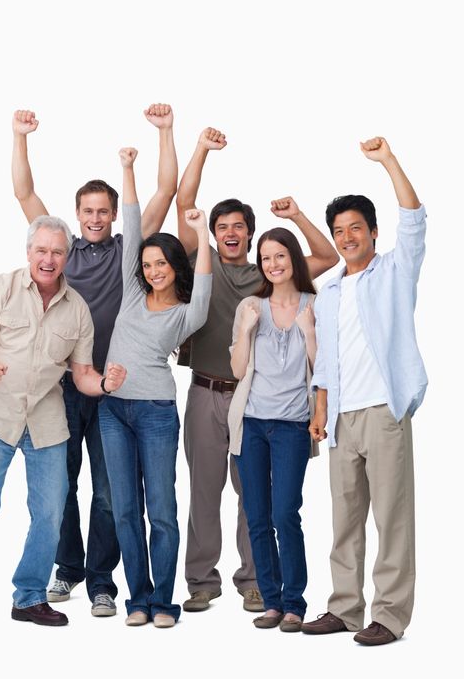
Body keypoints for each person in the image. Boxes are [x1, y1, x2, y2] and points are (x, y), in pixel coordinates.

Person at [11, 104, 177, 617]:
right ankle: (68, 570)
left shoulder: (132, 251)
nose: (98, 218)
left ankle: (102, 580)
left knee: (108, 493)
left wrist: (165, 133)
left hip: (113, 389)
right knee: (61, 485)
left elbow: (165, 192)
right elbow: (23, 194)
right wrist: (19, 137)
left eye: (105, 210)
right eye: (89, 211)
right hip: (61, 386)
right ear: (78, 215)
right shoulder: (64, 251)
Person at [176, 129, 339, 613]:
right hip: (206, 392)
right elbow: (185, 198)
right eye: (221, 226)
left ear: (249, 233)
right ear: (214, 232)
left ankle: (255, 580)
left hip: (257, 399)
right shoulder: (200, 265)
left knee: (256, 497)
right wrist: (202, 149)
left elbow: (327, 257)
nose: (229, 232)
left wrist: (295, 216)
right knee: (204, 491)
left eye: (237, 227)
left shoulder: (268, 274)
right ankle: (202, 581)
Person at [0, 216, 127, 638]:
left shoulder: (77, 309)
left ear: (68, 257)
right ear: (29, 252)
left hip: (47, 422)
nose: (48, 259)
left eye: (57, 252)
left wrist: (103, 383)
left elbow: (81, 373)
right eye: (41, 251)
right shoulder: (1, 288)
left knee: (49, 512)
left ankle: (29, 597)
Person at [302, 137, 427, 646]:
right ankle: (345, 608)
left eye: (356, 228)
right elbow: (327, 360)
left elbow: (415, 221)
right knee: (344, 520)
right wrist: (320, 407)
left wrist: (388, 162)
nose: (347, 236)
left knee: (392, 518)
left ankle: (391, 615)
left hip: (383, 411)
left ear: (373, 232)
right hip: (340, 420)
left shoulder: (395, 271)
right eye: (340, 231)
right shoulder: (329, 290)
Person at [98, 145, 212, 628]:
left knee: (161, 509)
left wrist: (202, 233)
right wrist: (127, 169)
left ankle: (164, 602)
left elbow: (204, 286)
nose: (152, 270)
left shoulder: (187, 313)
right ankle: (138, 600)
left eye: (160, 264)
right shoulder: (130, 290)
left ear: (173, 266)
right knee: (125, 510)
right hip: (112, 410)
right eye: (146, 264)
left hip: (156, 412)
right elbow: (130, 219)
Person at [229, 226, 328, 631]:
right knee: (257, 514)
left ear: (294, 259)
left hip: (291, 426)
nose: (273, 264)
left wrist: (308, 333)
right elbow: (238, 371)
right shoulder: (250, 306)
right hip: (251, 424)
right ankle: (271, 601)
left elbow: (324, 370)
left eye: (280, 256)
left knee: (285, 512)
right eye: (266, 258)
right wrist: (247, 331)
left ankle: (294, 603)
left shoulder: (314, 305)